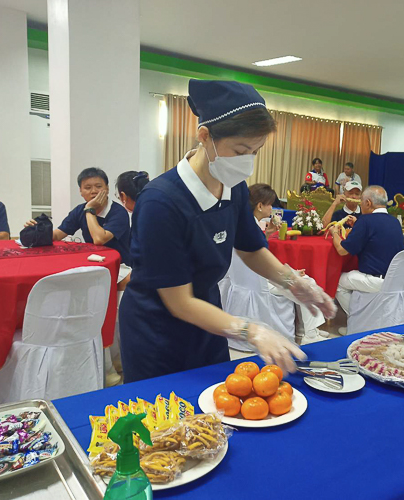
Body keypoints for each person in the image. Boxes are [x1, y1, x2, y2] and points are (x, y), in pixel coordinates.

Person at [119, 79, 336, 383]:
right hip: (158, 330)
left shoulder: (232, 188)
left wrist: (293, 283)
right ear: (205, 137)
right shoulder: (161, 202)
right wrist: (252, 330)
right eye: (240, 150)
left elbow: (251, 248)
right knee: (166, 421)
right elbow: (179, 302)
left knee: (217, 410)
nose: (247, 161)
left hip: (209, 318)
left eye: (255, 152)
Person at [249, 183, 327, 341]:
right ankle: (310, 334)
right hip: (261, 280)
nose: (272, 208)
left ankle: (305, 330)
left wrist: (268, 234)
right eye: (270, 204)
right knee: (307, 283)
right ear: (259, 205)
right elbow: (261, 262)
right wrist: (291, 273)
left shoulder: (249, 225)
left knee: (305, 280)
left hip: (255, 277)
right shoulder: (252, 228)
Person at [328, 186, 404, 327]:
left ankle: (359, 320)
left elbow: (341, 250)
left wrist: (334, 233)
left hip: (376, 280)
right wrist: (358, 226)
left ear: (368, 203)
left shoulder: (366, 221)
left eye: (361, 201)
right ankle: (366, 317)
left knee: (337, 281)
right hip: (396, 279)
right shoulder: (395, 222)